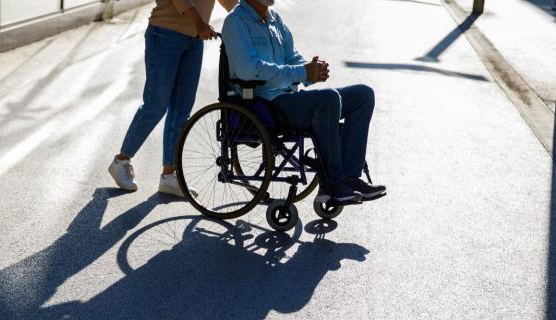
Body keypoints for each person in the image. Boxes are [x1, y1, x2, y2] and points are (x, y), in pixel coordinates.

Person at [221, 0, 386, 205]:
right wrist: (301, 72)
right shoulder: (235, 22)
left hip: (288, 98)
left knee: (363, 95)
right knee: (328, 99)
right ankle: (334, 183)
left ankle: (350, 177)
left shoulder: (274, 19)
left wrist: (311, 71)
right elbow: (249, 70)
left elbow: (292, 58)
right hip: (262, 104)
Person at [109, 0, 238, 196]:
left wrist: (250, 14)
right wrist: (199, 22)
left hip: (195, 39)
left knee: (181, 109)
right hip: (165, 33)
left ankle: (169, 175)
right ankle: (121, 160)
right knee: (156, 104)